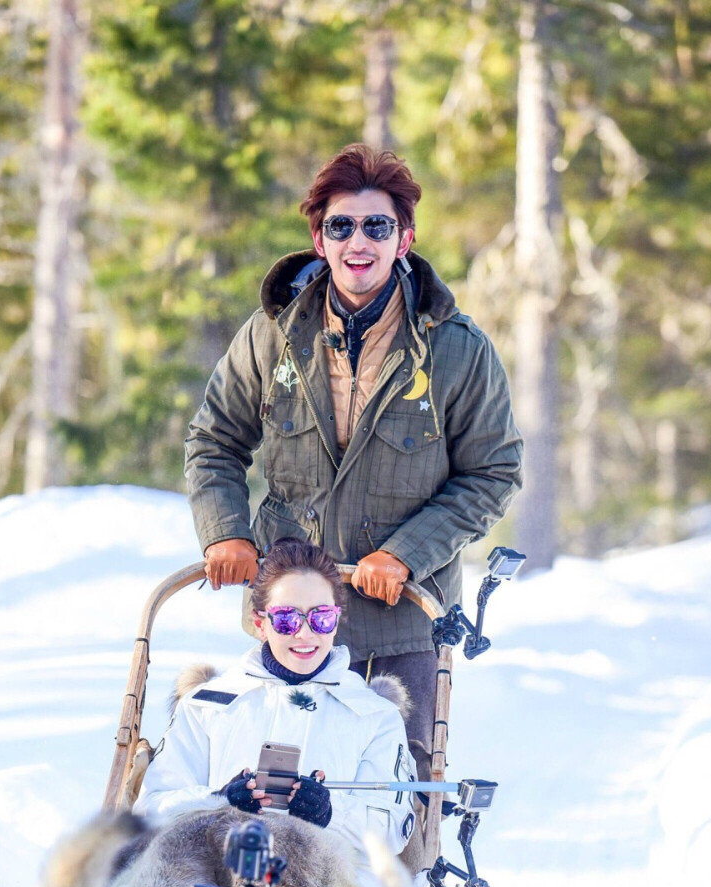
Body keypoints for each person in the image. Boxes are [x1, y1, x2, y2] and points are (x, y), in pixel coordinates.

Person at [184, 142, 523, 786]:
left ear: (405, 239)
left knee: (389, 797)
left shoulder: (455, 349)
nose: (358, 241)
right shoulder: (273, 334)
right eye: (341, 225)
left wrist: (407, 554)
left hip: (401, 621)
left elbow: (493, 472)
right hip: (293, 616)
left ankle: (396, 885)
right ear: (319, 239)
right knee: (273, 784)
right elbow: (214, 441)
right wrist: (225, 531)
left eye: (377, 225)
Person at [136, 539, 415, 860]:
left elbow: (392, 832)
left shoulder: (374, 714)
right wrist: (219, 800)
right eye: (286, 619)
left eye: (321, 618)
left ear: (336, 621)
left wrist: (330, 813)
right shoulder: (208, 704)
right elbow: (150, 810)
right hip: (216, 875)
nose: (305, 633)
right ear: (260, 624)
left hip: (326, 886)